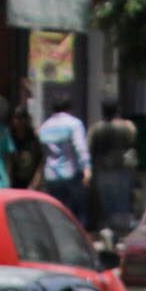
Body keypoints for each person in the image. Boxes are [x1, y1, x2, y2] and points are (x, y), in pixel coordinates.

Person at [38, 93, 95, 225]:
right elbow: (80, 147)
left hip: (51, 175)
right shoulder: (74, 124)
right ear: (69, 108)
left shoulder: (45, 126)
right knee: (76, 214)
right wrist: (87, 169)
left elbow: (43, 153)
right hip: (71, 173)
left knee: (56, 212)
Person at [90, 98, 141, 234]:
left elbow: (91, 149)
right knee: (123, 203)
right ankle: (122, 231)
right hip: (123, 170)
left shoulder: (96, 128)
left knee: (106, 205)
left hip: (103, 171)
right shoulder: (128, 127)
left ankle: (109, 231)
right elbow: (133, 146)